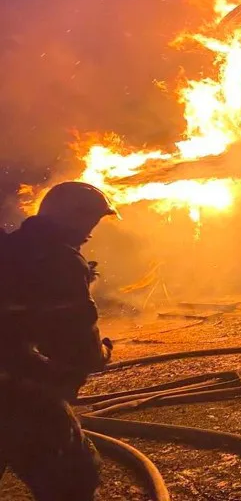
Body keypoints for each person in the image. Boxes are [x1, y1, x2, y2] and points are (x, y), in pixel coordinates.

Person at [0, 181, 118, 500]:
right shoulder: (59, 261)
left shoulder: (11, 247)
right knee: (73, 479)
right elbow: (79, 341)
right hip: (16, 393)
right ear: (71, 218)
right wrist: (101, 353)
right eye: (90, 220)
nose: (90, 231)